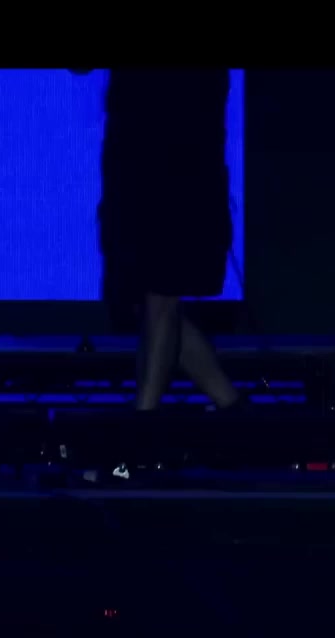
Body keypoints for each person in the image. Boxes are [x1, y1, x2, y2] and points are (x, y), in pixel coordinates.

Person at [72, 69, 242, 411]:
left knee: (160, 296)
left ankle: (143, 420)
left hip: (179, 169)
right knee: (141, 301)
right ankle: (232, 404)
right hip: (134, 169)